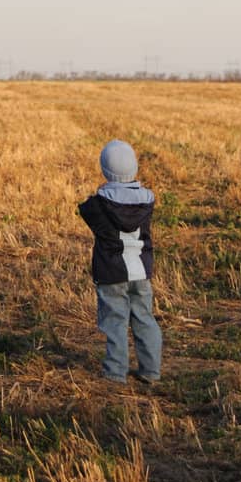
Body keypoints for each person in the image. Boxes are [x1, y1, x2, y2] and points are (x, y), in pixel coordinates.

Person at [77, 138, 162, 383]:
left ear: (105, 170)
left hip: (111, 273)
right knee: (145, 319)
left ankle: (115, 373)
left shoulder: (99, 204)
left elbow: (87, 211)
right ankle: (151, 371)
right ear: (135, 167)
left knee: (115, 322)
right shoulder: (148, 199)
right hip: (140, 272)